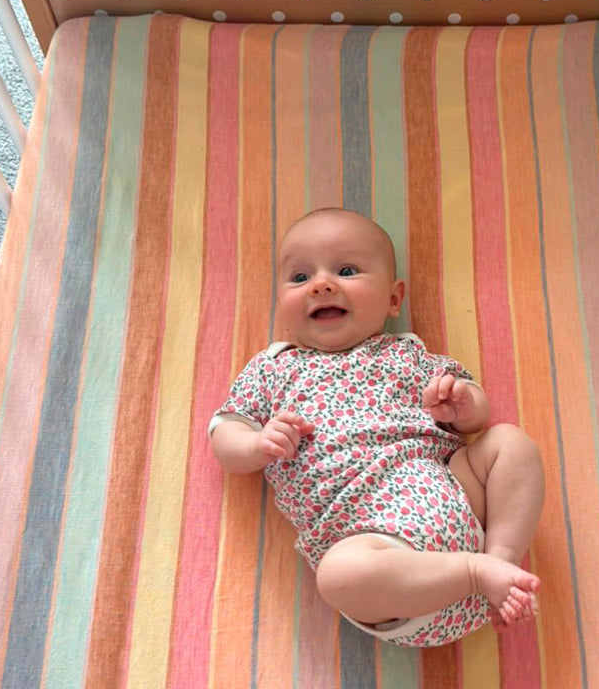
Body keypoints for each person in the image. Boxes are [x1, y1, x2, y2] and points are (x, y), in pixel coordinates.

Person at [209, 208, 545, 647]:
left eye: (346, 270)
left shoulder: (408, 355)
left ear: (393, 298)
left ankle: (502, 562)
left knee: (509, 442)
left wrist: (460, 406)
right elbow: (224, 432)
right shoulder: (274, 368)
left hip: (458, 500)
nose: (322, 284)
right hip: (377, 552)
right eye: (299, 277)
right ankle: (476, 572)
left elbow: (477, 413)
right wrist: (256, 444)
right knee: (338, 574)